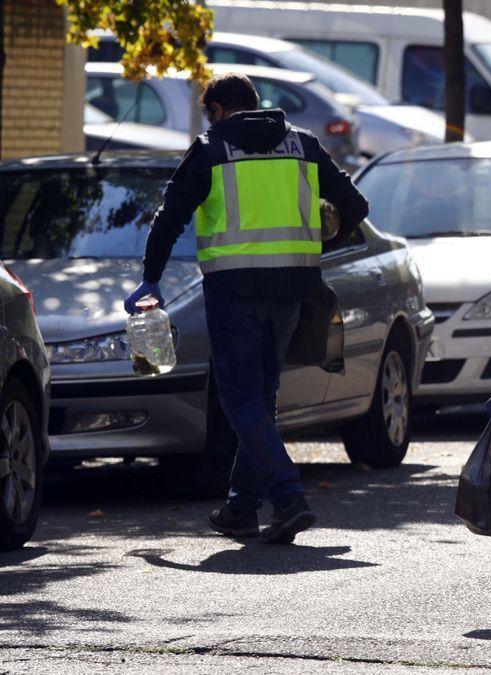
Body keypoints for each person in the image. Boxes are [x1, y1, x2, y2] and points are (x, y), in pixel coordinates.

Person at [124, 73, 368, 543]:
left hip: (233, 292)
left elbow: (169, 216)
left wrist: (150, 277)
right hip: (293, 289)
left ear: (216, 109)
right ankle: (241, 508)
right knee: (261, 400)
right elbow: (355, 205)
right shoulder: (302, 145)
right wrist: (324, 241)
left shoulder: (212, 148)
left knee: (239, 400)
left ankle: (290, 497)